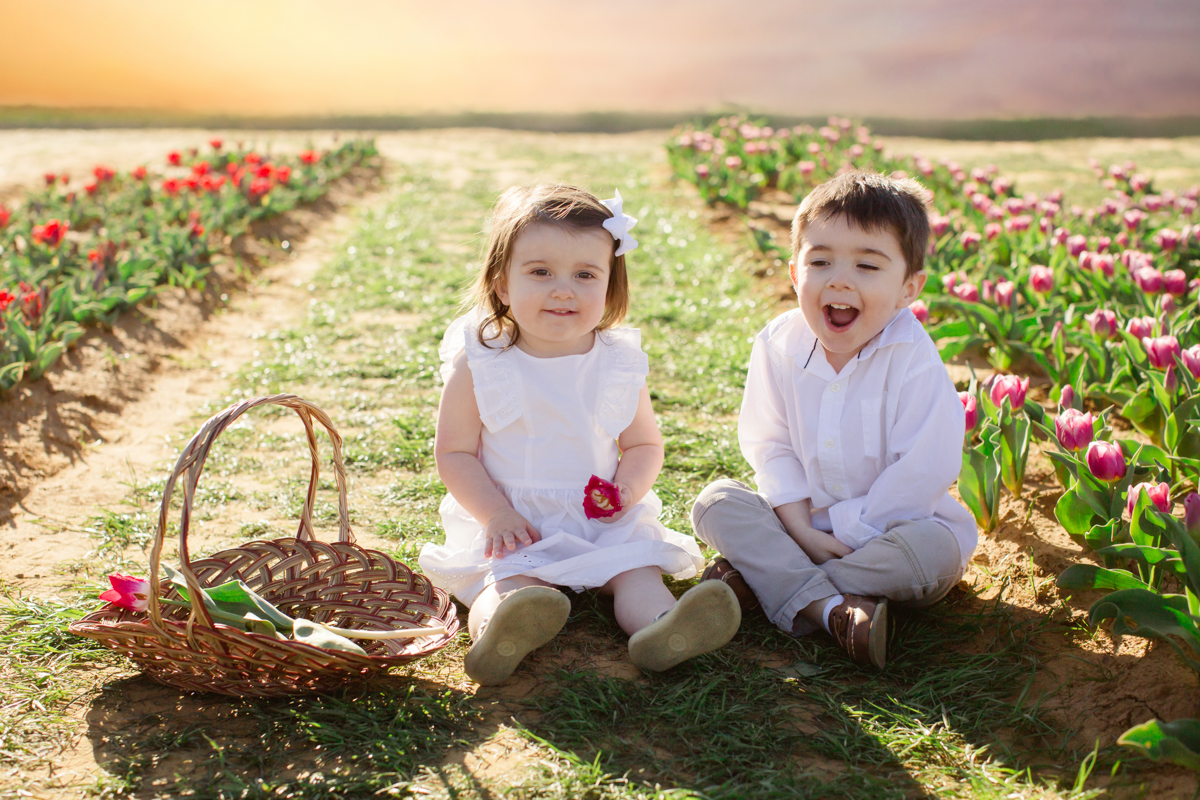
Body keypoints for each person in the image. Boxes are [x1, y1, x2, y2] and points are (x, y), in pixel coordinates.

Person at [420, 184, 741, 685]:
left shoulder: (616, 362)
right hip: (515, 521)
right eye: (541, 272)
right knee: (508, 580)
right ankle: (501, 632)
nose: (563, 289)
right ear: (503, 284)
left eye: (585, 274)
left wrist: (627, 491)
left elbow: (643, 444)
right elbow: (455, 452)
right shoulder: (483, 361)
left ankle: (664, 629)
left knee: (634, 570)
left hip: (598, 515)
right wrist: (496, 514)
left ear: (610, 287)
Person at [691, 171, 976, 670]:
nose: (839, 279)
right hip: (796, 523)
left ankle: (761, 585)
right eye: (820, 261)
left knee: (933, 552)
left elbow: (924, 471)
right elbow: (770, 443)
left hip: (892, 534)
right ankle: (832, 611)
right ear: (795, 274)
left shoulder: (912, 359)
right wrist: (801, 529)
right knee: (716, 503)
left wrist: (843, 535)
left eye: (868, 265)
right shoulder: (779, 344)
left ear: (909, 287)